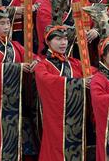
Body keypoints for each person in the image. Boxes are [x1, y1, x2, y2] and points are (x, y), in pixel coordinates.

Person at [0, 6, 35, 161]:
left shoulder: (15, 46)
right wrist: (18, 67)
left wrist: (35, 63)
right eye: (2, 23)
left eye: (8, 23)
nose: (6, 27)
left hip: (18, 97)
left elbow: (32, 57)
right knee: (1, 134)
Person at [34, 24, 87, 161]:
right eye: (58, 39)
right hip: (55, 117)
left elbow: (96, 75)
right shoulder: (43, 65)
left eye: (65, 39)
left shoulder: (74, 63)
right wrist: (79, 83)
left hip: (77, 116)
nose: (63, 43)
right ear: (48, 41)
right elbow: (47, 80)